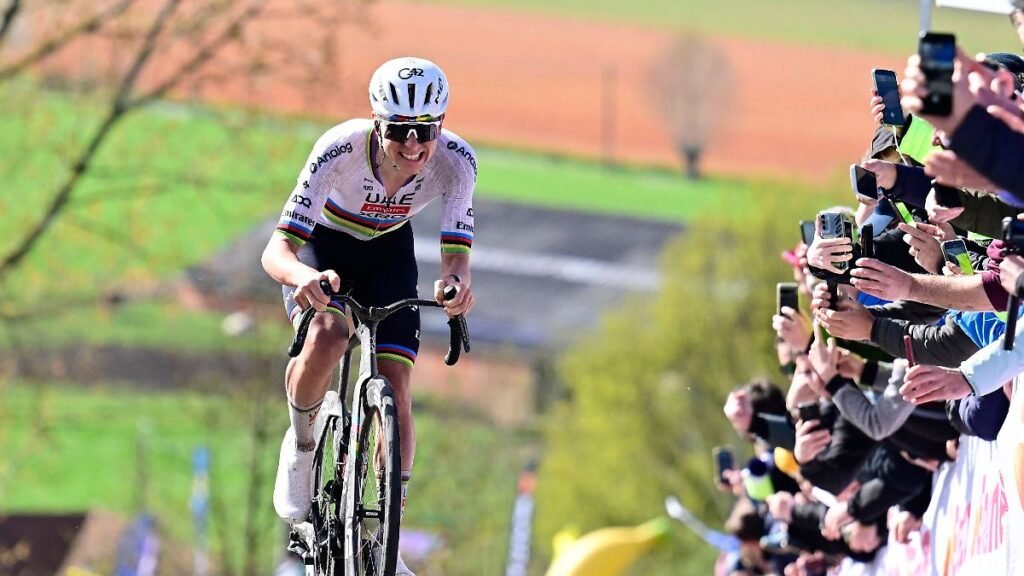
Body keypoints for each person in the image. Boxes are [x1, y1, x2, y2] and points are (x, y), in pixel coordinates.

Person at [261, 56, 477, 575]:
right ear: (378, 123)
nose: (413, 144)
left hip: (388, 253)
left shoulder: (457, 162)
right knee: (331, 333)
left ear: (440, 126)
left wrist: (456, 286)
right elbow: (276, 250)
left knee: (398, 389)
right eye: (400, 130)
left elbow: (456, 257)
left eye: (425, 130)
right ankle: (304, 442)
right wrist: (301, 279)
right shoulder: (340, 149)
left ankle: (386, 539)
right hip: (324, 248)